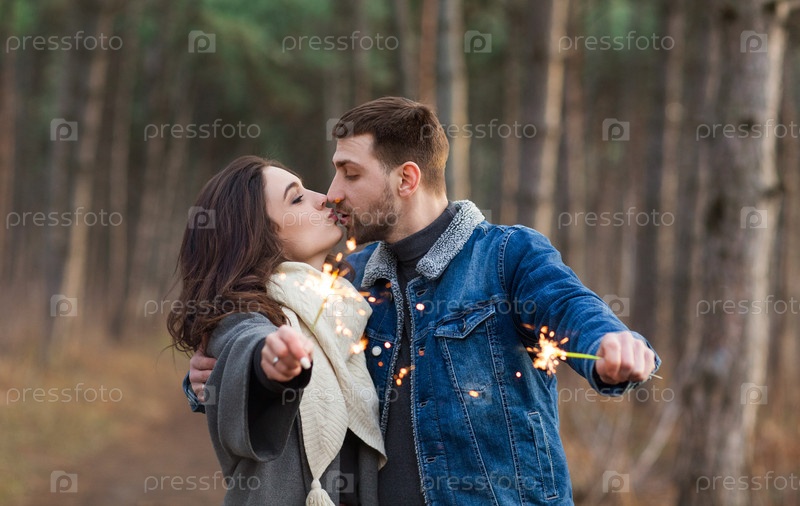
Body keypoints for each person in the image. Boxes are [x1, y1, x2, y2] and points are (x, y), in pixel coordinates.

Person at [188, 97, 660, 505]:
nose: (333, 194)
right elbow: (269, 326)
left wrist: (611, 344)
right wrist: (212, 378)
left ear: (406, 180)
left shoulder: (506, 256)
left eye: (350, 174)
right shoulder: (349, 281)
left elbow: (571, 307)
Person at [169, 156, 386, 506]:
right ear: (258, 238)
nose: (324, 198)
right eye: (296, 198)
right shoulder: (241, 316)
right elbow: (247, 343)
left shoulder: (350, 300)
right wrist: (271, 363)